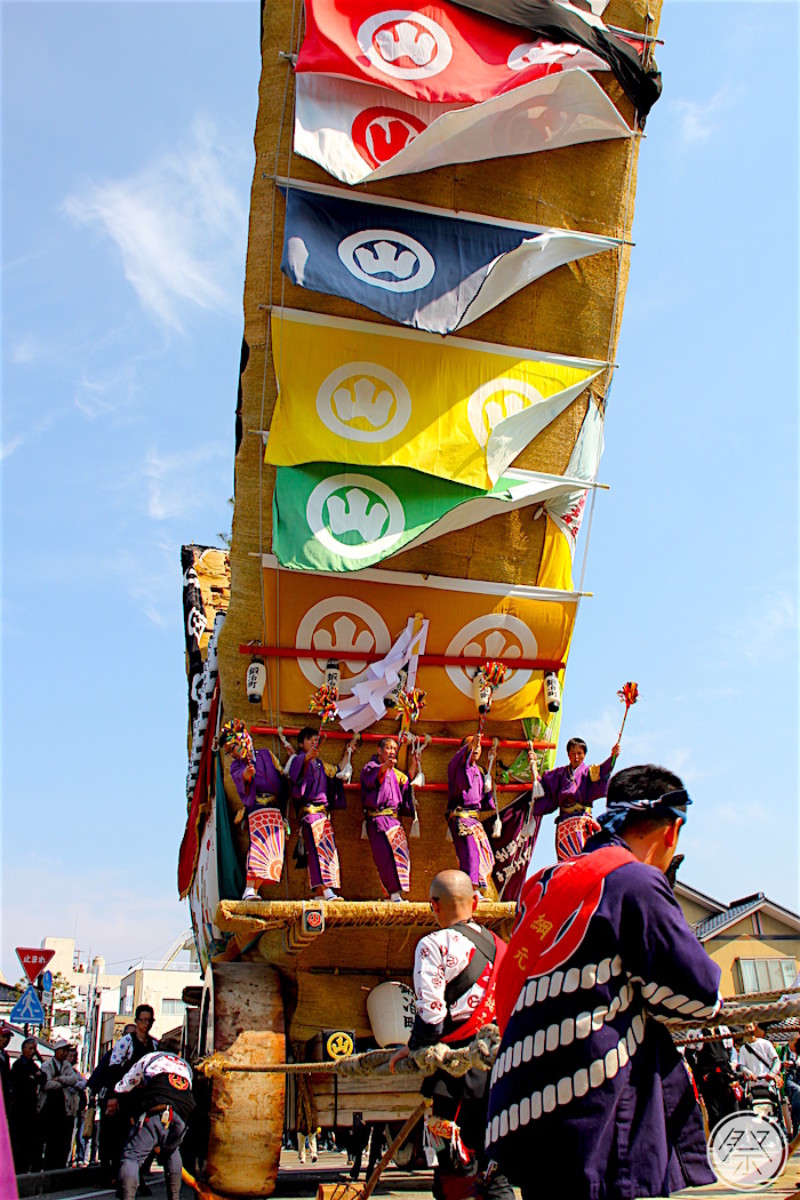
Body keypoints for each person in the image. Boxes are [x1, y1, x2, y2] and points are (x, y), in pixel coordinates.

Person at [486, 765, 722, 1200]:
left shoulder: (542, 883)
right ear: (672, 831)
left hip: (523, 1105)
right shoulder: (634, 881)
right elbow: (698, 996)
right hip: (596, 1109)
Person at [389, 869, 513, 1200]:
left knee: (456, 1168)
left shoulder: (433, 945)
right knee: (493, 1167)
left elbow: (432, 1016)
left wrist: (413, 1048)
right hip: (499, 1069)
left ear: (434, 905)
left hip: (455, 1073)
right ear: (475, 902)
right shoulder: (503, 946)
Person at [114, 1035, 195, 1200]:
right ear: (178, 1052)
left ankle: (127, 1197)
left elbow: (124, 1085)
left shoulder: (151, 1058)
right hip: (184, 1112)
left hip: (157, 1107)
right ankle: (174, 1197)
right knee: (171, 1150)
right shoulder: (186, 1066)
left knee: (132, 1156)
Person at [220, 719, 288, 899]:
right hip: (257, 808)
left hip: (274, 808)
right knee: (258, 847)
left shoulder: (266, 754)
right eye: (229, 752)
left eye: (233, 748)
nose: (232, 754)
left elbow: (282, 776)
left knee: (273, 852)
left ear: (243, 740)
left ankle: (254, 888)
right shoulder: (238, 766)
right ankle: (250, 888)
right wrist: (247, 775)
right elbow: (240, 778)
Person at [285, 727, 352, 899]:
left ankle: (320, 892)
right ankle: (325, 888)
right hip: (309, 813)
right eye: (310, 739)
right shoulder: (298, 760)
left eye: (316, 739)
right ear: (301, 744)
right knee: (316, 851)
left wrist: (348, 752)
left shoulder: (321, 765)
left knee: (325, 851)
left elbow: (338, 771)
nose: (314, 741)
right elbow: (296, 774)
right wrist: (309, 756)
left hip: (322, 814)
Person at [534, 736, 621, 860]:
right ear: (568, 755)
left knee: (582, 859)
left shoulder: (589, 772)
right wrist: (534, 769)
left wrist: (613, 757)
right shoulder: (560, 774)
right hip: (564, 824)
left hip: (582, 822)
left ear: (584, 755)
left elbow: (603, 771)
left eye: (579, 753)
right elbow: (544, 785)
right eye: (573, 753)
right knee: (565, 862)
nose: (576, 757)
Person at [360, 737, 419, 902]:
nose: (392, 751)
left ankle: (396, 893)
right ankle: (392, 893)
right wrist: (385, 767)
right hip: (379, 820)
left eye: (395, 749)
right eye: (388, 748)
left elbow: (406, 783)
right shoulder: (371, 768)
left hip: (394, 821)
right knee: (384, 857)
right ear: (379, 751)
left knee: (400, 857)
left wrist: (414, 764)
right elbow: (375, 777)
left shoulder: (395, 773)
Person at [103, 1007, 157, 1186]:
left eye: (149, 1021)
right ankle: (117, 1175)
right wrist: (113, 1096)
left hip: (143, 1098)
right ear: (136, 1021)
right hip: (125, 1095)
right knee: (120, 1137)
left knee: (142, 1138)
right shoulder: (126, 1042)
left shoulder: (154, 1045)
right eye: (142, 1020)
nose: (146, 1024)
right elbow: (114, 1069)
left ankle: (137, 1176)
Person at [447, 735, 499, 898]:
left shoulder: (480, 771)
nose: (476, 748)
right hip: (462, 817)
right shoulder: (457, 767)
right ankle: (472, 890)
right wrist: (470, 745)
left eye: (478, 745)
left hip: (474, 820)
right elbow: (459, 759)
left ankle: (475, 889)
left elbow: (484, 801)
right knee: (469, 854)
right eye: (471, 746)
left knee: (485, 856)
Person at [39, 1039, 84, 1170]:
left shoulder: (67, 1066)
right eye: (62, 1050)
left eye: (66, 1051)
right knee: (50, 1141)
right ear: (56, 1051)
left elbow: (73, 1079)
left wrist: (60, 1079)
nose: (64, 1053)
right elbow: (46, 1083)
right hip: (49, 1107)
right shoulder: (47, 1065)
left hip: (65, 1108)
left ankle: (60, 1166)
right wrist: (63, 1083)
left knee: (63, 1142)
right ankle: (48, 1167)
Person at [10, 1037, 45, 1173]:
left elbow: (42, 1077)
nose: (32, 1052)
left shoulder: (33, 1065)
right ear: (23, 1049)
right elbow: (23, 1080)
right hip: (20, 1108)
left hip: (31, 1108)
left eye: (34, 1049)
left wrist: (35, 1077)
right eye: (30, 1049)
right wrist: (33, 1077)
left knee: (29, 1142)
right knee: (18, 1141)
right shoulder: (18, 1065)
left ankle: (25, 1167)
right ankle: (18, 1168)